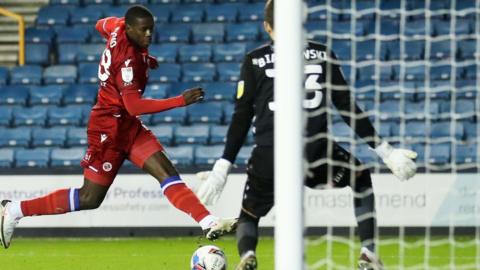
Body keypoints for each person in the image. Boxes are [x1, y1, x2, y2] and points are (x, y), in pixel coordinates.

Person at [195, 1, 417, 269]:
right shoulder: (324, 54)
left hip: (270, 151)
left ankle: (247, 257)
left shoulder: (254, 60)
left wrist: (223, 166)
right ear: (301, 19)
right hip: (316, 149)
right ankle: (368, 252)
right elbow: (346, 106)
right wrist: (386, 151)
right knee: (360, 176)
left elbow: (242, 116)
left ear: (267, 26)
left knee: (249, 216)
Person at [0, 5, 237, 250]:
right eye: (143, 30)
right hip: (108, 130)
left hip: (127, 126)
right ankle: (15, 209)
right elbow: (134, 106)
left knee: (167, 172)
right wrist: (180, 100)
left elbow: (99, 24)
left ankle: (208, 222)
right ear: (131, 28)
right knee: (89, 198)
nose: (148, 35)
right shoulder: (127, 61)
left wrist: (146, 58)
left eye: (151, 30)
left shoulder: (118, 26)